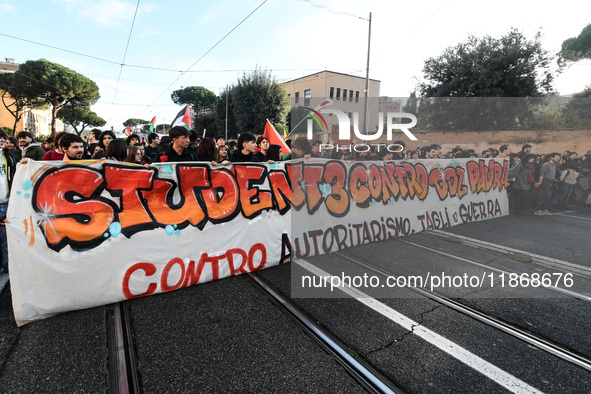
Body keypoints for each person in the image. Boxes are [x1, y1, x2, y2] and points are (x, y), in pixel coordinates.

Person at [0, 130, 17, 274]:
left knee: (5, 236)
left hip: (6, 203)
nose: (2, 140)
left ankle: (6, 265)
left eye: (3, 138)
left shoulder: (10, 157)